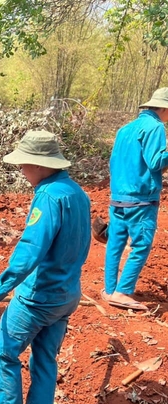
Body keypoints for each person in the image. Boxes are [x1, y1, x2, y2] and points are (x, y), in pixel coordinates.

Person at [0, 130, 90, 404]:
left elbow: (30, 249)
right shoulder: (76, 193)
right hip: (67, 295)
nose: (21, 171)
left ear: (38, 164)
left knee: (4, 352)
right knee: (45, 358)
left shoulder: (48, 196)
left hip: (38, 297)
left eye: (24, 165)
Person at [98, 87, 168, 311]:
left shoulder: (125, 129)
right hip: (141, 199)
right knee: (141, 245)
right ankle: (123, 291)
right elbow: (156, 162)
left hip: (118, 197)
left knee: (115, 244)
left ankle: (109, 290)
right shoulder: (155, 127)